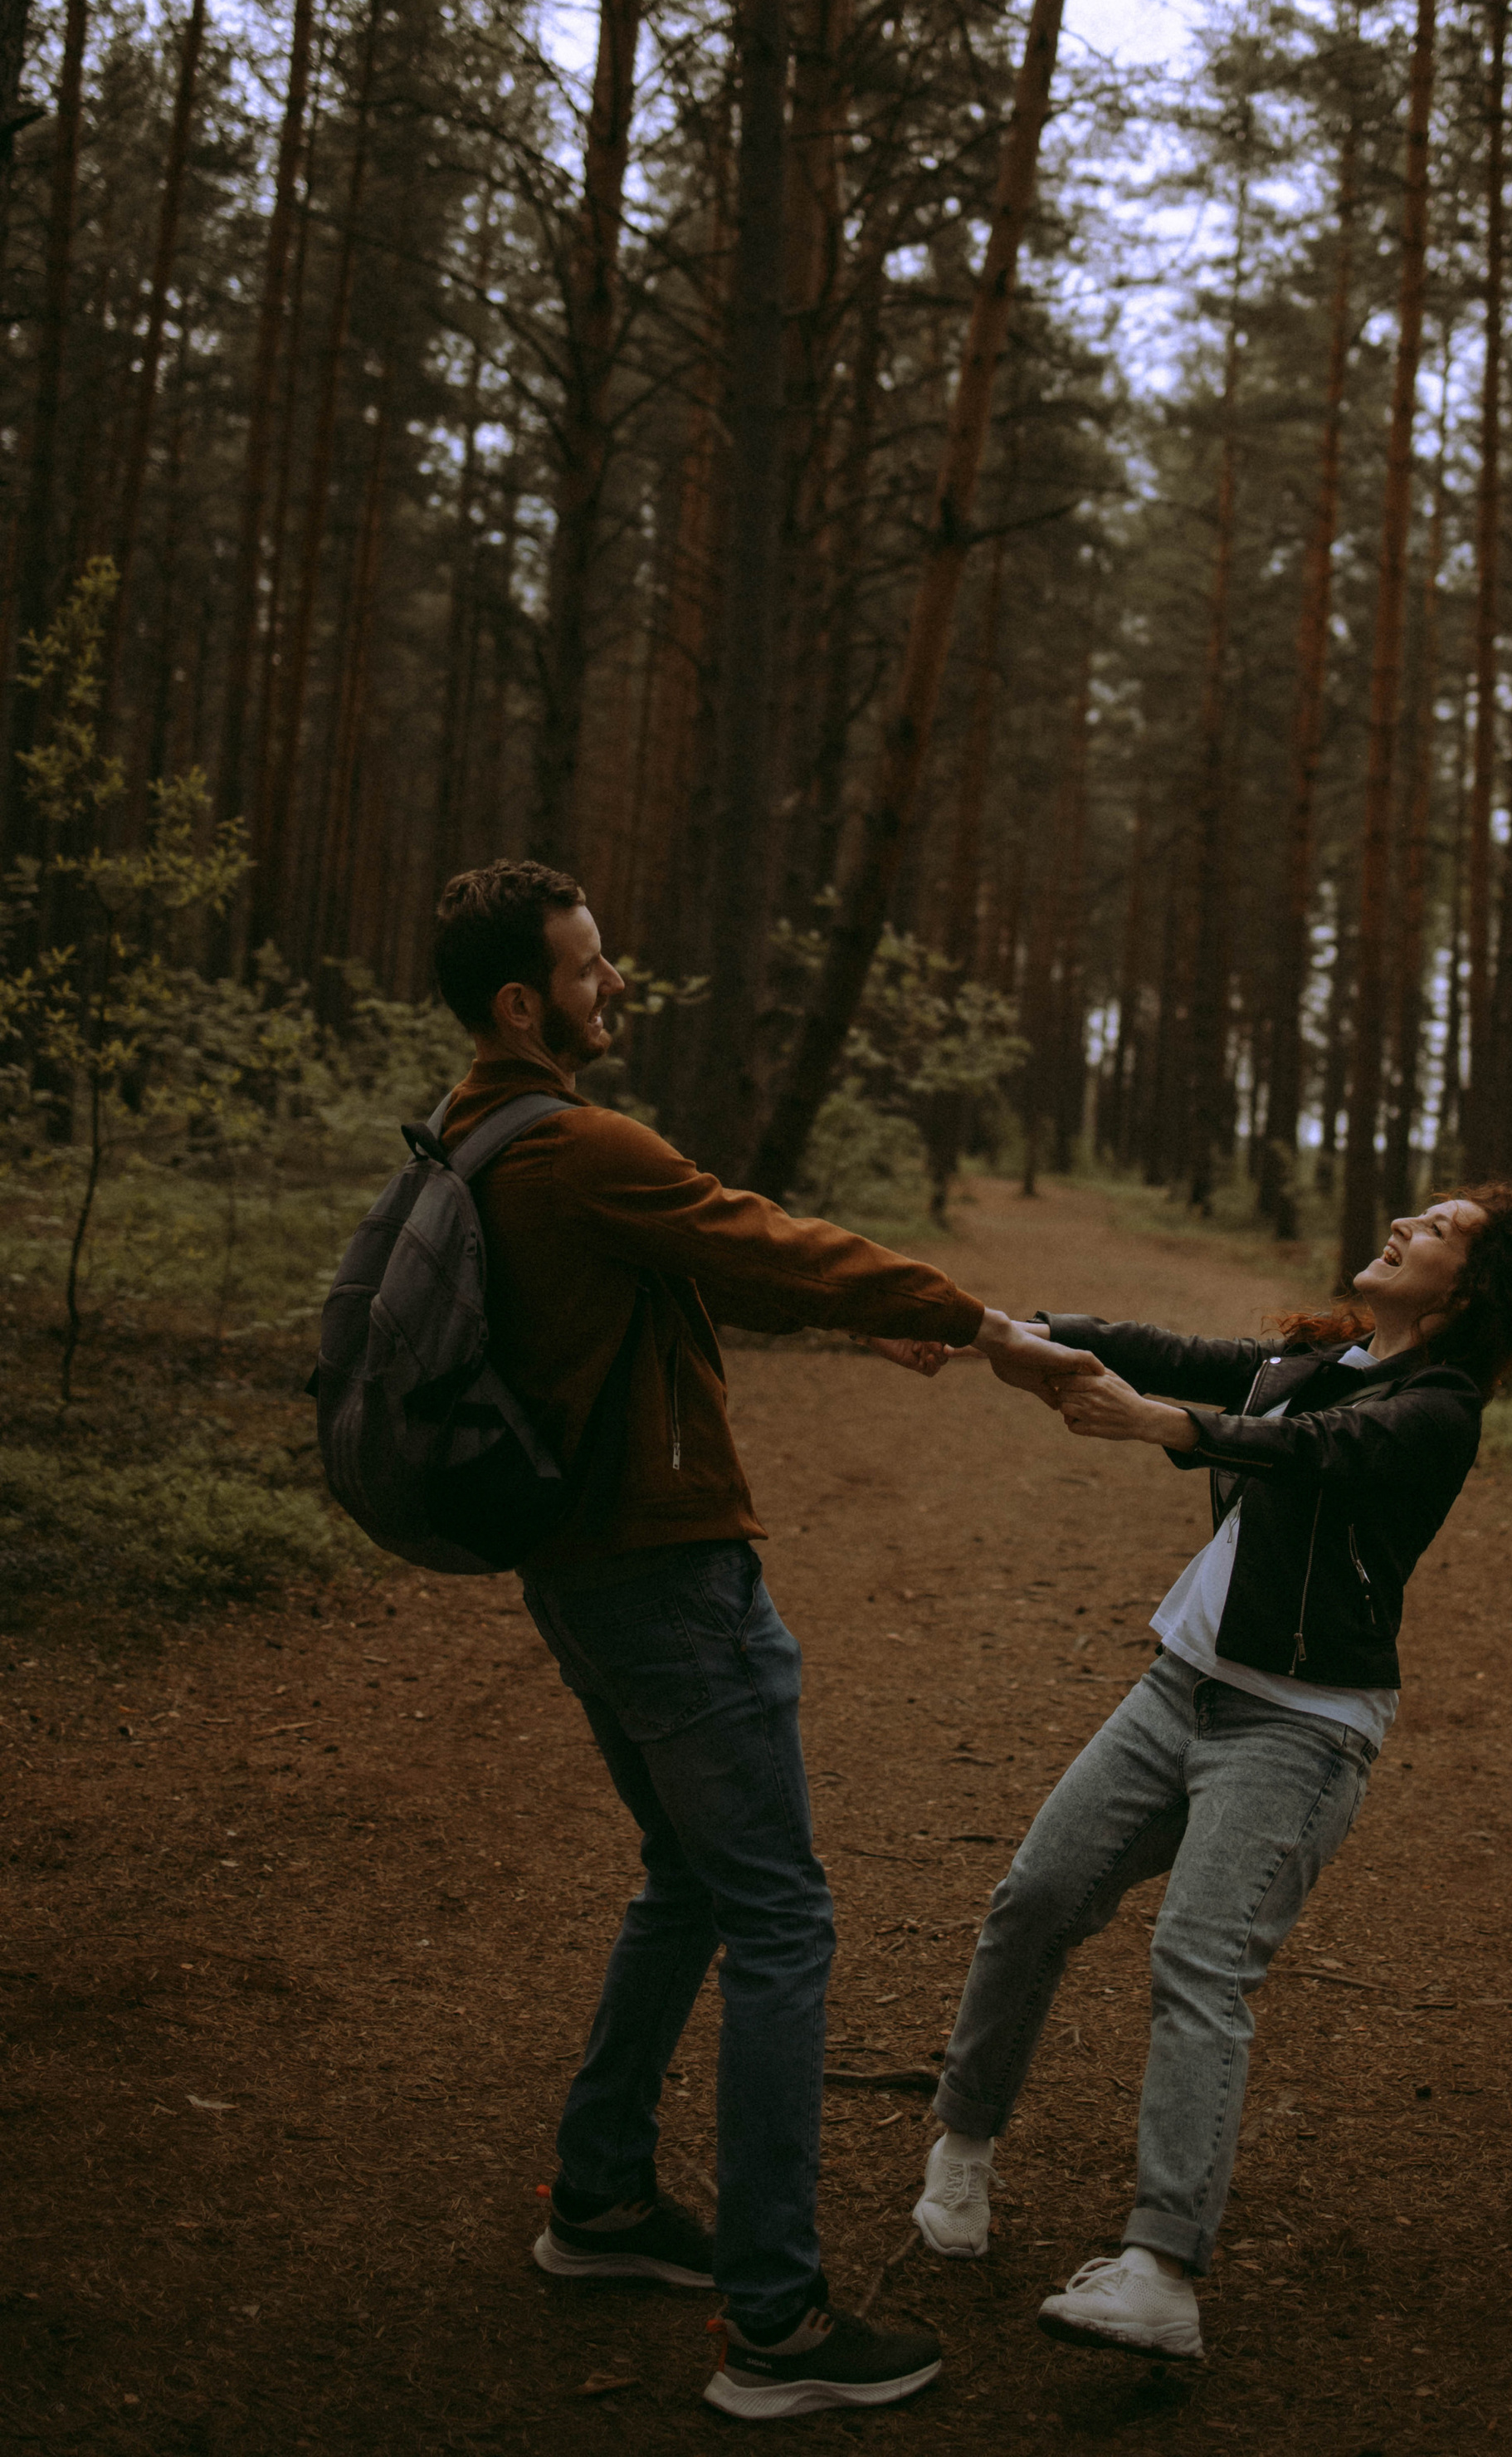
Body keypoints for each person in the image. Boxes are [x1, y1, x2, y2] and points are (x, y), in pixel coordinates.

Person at [429, 859, 1095, 2422]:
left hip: (581, 1578)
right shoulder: (580, 1145)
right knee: (783, 1917)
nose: (616, 987)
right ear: (525, 1001)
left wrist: (859, 1319)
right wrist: (977, 1322)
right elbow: (764, 1235)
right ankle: (779, 2325)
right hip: (670, 1582)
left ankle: (599, 2204)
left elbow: (647, 1288)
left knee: (687, 1877)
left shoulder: (478, 1136)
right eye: (592, 970)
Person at [903, 1184, 1512, 2360]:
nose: (1406, 1222)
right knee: (1037, 1898)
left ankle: (1161, 2272)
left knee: (1201, 1960)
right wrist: (984, 1330)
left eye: (1440, 1230)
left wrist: (1158, 1425)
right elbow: (1160, 1349)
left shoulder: (1439, 1406)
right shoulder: (1316, 1359)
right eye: (1413, 1212)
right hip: (1181, 1689)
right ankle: (962, 2148)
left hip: (1299, 1727)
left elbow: (1317, 1456)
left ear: (1468, 1290)